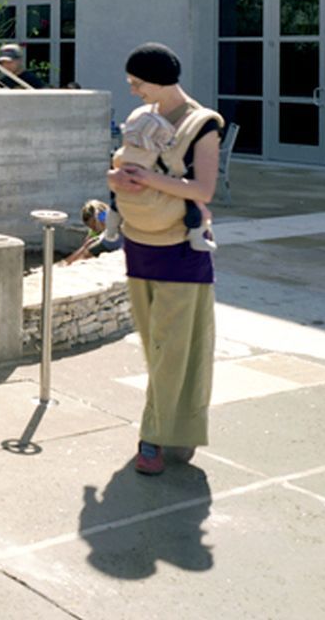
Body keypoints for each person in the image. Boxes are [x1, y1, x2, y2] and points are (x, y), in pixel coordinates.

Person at [106, 43, 224, 477]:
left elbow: (204, 190)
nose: (134, 91)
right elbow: (121, 168)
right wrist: (116, 178)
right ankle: (178, 427)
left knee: (172, 348)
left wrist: (148, 179)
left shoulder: (202, 124)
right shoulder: (141, 118)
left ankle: (152, 437)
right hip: (139, 243)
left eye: (138, 83)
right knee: (157, 347)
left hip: (181, 249)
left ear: (158, 80)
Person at [95, 104, 218, 253]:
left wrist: (115, 174)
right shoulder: (154, 155)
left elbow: (116, 164)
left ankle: (110, 231)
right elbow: (174, 171)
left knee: (115, 206)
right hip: (153, 199)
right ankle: (196, 236)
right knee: (192, 205)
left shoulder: (126, 153)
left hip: (127, 195)